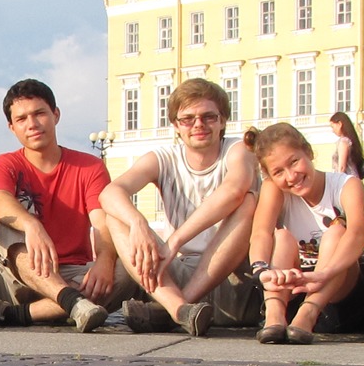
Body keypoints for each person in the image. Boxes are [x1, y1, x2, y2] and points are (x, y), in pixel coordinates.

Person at [0, 78, 136, 331]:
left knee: (128, 264)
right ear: (11, 127)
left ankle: (21, 314)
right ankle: (71, 302)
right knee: (10, 224)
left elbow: (102, 222)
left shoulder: (90, 167)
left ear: (55, 115)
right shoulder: (4, 164)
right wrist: (32, 225)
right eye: (22, 119)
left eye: (39, 114)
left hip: (75, 273)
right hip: (21, 274)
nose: (32, 124)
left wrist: (105, 259)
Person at [104, 77, 259, 338]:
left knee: (247, 200)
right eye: (188, 119)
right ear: (176, 125)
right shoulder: (163, 158)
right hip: (177, 273)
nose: (198, 125)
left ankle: (171, 312)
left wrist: (175, 239)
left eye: (209, 117)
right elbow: (111, 192)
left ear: (222, 121)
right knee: (116, 217)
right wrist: (138, 223)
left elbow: (234, 190)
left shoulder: (238, 150)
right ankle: (181, 310)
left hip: (230, 281)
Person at [246, 122, 364, 344]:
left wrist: (325, 274)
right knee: (282, 237)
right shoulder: (274, 189)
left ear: (309, 152)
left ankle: (308, 313)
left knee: (336, 233)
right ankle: (274, 313)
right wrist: (261, 268)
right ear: (270, 176)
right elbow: (261, 232)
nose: (291, 176)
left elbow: (356, 234)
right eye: (278, 172)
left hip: (338, 291)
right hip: (295, 288)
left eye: (294, 162)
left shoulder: (346, 185)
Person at [329, 111, 364, 178]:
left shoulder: (343, 142)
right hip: (353, 179)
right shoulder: (350, 140)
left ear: (339, 124)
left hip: (347, 180)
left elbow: (342, 167)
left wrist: (337, 183)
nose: (332, 130)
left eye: (332, 126)